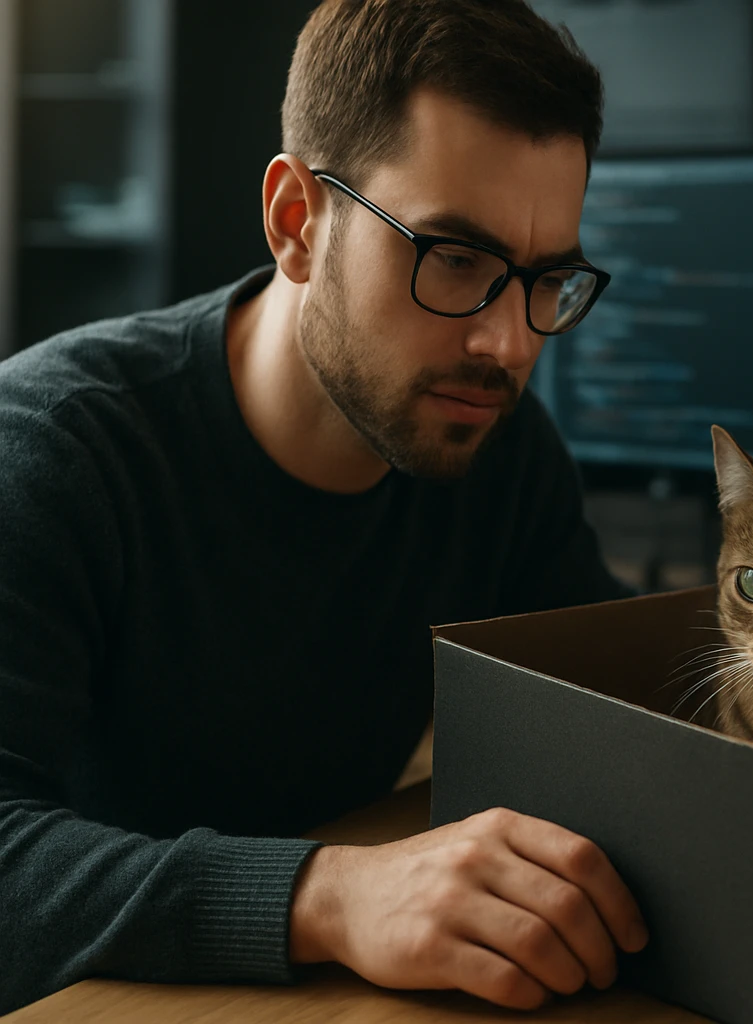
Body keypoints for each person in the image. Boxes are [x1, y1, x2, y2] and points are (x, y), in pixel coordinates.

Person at [0, 0, 651, 1013]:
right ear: (296, 222)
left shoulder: (496, 446)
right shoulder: (57, 450)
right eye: (456, 261)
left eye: (546, 280)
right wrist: (332, 893)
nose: (512, 346)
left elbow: (620, 716)